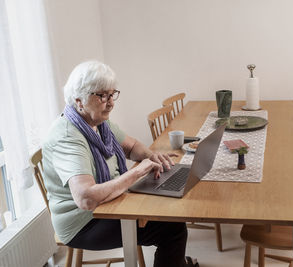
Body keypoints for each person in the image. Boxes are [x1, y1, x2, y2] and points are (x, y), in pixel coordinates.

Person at [42, 61, 199, 267]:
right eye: (102, 96)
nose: (111, 102)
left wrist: (151, 156)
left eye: (112, 94)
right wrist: (136, 174)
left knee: (169, 205)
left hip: (107, 204)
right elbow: (86, 199)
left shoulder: (98, 123)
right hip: (84, 223)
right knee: (172, 229)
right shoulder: (68, 137)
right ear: (79, 100)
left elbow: (131, 145)